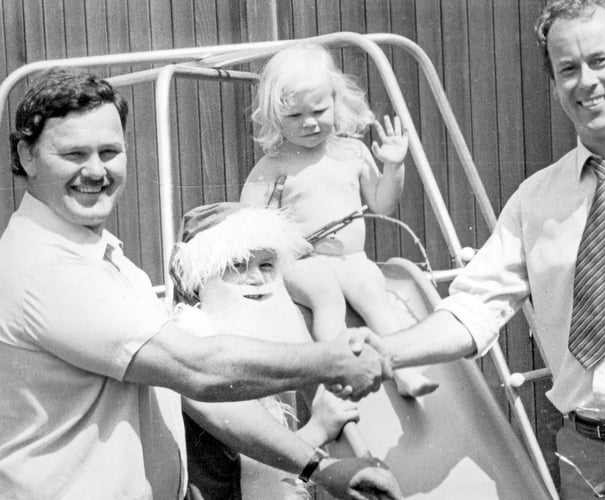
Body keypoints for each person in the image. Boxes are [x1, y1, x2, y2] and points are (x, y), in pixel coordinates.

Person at [366, 1, 605, 498]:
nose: (585, 81)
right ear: (554, 85)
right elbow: (471, 311)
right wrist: (381, 350)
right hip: (582, 456)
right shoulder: (535, 199)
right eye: (567, 69)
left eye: (599, 60)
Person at [0, 67, 400, 500]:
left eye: (110, 152)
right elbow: (198, 369)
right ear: (26, 155)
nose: (96, 171)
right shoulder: (43, 268)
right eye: (74, 155)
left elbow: (200, 396)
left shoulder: (101, 257)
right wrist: (331, 360)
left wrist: (318, 466)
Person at [240, 43, 437, 398]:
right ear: (274, 117)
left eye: (318, 109)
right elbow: (250, 224)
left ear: (336, 101)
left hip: (352, 259)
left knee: (374, 293)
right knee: (326, 296)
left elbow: (382, 203)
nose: (310, 122)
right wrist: (282, 242)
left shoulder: (352, 152)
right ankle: (338, 372)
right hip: (303, 262)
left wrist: (394, 166)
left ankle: (405, 369)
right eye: (294, 116)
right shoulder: (274, 166)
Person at [169, 202, 363, 499]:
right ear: (201, 278)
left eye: (266, 265)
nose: (256, 278)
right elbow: (260, 463)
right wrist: (320, 429)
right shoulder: (192, 343)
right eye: (236, 266)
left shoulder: (258, 330)